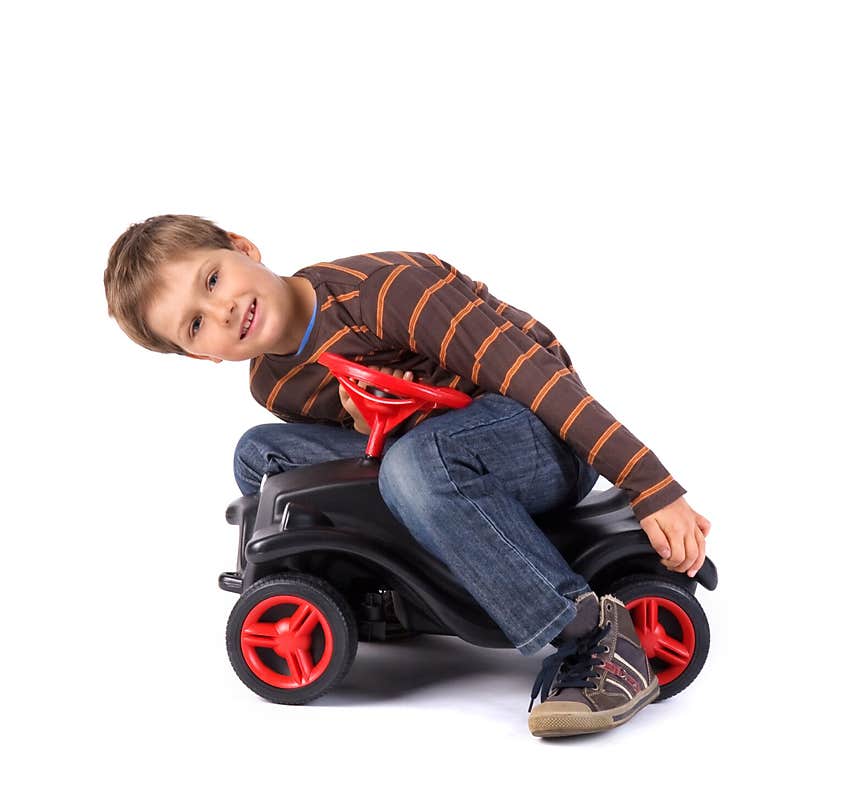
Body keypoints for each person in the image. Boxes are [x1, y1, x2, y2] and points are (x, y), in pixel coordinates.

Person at [104, 213, 711, 737]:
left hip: (533, 433)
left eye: (212, 279)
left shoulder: (385, 291)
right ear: (200, 356)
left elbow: (535, 379)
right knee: (260, 456)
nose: (223, 309)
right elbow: (370, 447)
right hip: (429, 450)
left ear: (243, 247)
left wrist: (650, 484)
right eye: (195, 324)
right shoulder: (273, 383)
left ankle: (591, 634)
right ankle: (372, 592)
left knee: (417, 463)